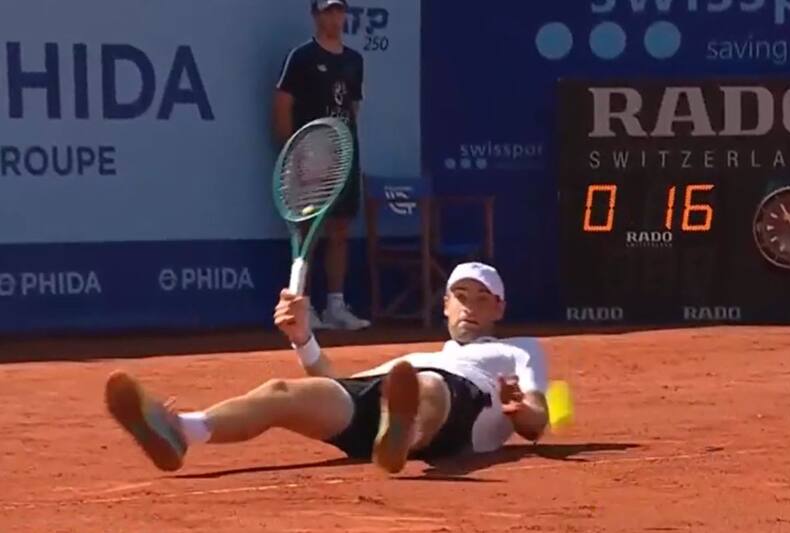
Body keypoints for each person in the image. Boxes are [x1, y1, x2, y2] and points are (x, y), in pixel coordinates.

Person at [104, 262, 550, 475]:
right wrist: (304, 338)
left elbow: (538, 422)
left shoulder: (518, 350)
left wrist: (519, 411)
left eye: (482, 298)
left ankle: (402, 437)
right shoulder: (415, 358)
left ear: (500, 307)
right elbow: (334, 387)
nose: (470, 306)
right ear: (446, 304)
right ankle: (182, 430)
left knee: (426, 387)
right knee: (282, 391)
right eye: (461, 296)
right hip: (388, 394)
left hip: (458, 411)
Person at [272, 0, 369, 330]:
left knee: (340, 231)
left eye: (339, 10)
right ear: (315, 15)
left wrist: (343, 152)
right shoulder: (301, 58)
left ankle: (336, 307)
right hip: (309, 155)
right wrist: (293, 152)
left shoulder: (355, 60)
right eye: (327, 10)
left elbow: (352, 109)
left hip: (343, 156)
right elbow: (283, 106)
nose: (335, 17)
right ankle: (304, 306)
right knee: (307, 234)